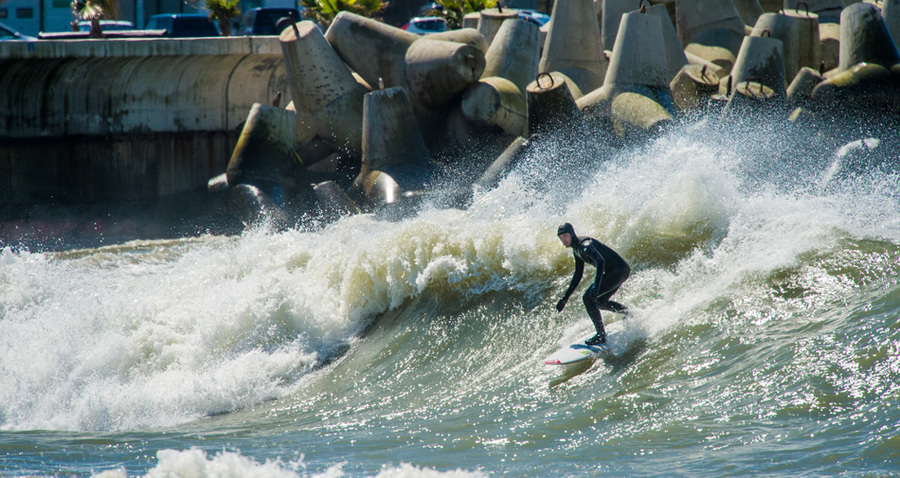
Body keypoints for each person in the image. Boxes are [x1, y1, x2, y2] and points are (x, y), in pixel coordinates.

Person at [555, 223, 630, 346]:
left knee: (588, 298)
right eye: (561, 237)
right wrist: (565, 298)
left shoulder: (585, 245)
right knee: (599, 301)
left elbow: (600, 261)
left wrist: (596, 284)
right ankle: (628, 313)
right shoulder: (577, 250)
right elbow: (578, 275)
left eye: (565, 236)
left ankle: (601, 335)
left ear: (572, 233)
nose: (563, 240)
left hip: (618, 270)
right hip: (618, 271)